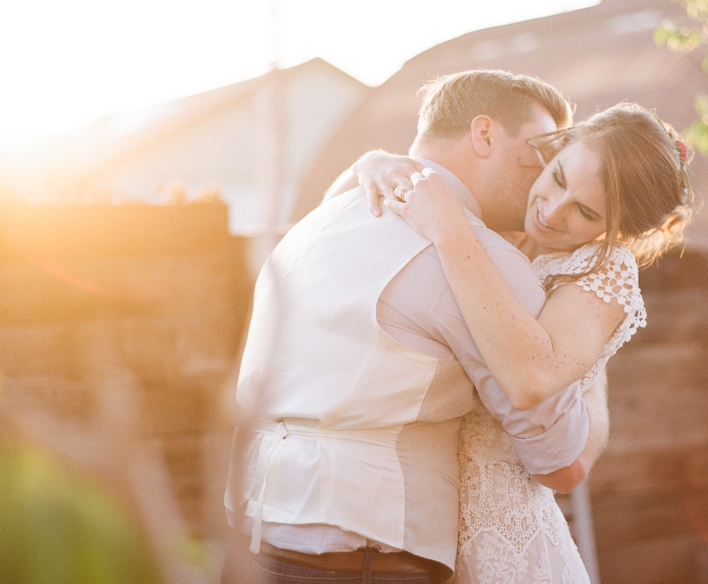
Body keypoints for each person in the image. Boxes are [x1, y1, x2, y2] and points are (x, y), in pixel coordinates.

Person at [221, 70, 608, 584]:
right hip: (365, 558)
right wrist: (593, 361)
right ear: (484, 134)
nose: (543, 178)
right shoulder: (478, 261)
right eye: (539, 154)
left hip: (249, 542)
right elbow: (560, 460)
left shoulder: (315, 225)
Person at [348, 102, 693, 584]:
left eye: (586, 212)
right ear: (560, 146)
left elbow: (534, 382)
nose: (551, 211)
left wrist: (448, 229)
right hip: (421, 519)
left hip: (498, 530)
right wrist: (369, 165)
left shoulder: (603, 268)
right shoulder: (504, 228)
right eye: (556, 177)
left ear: (620, 233)